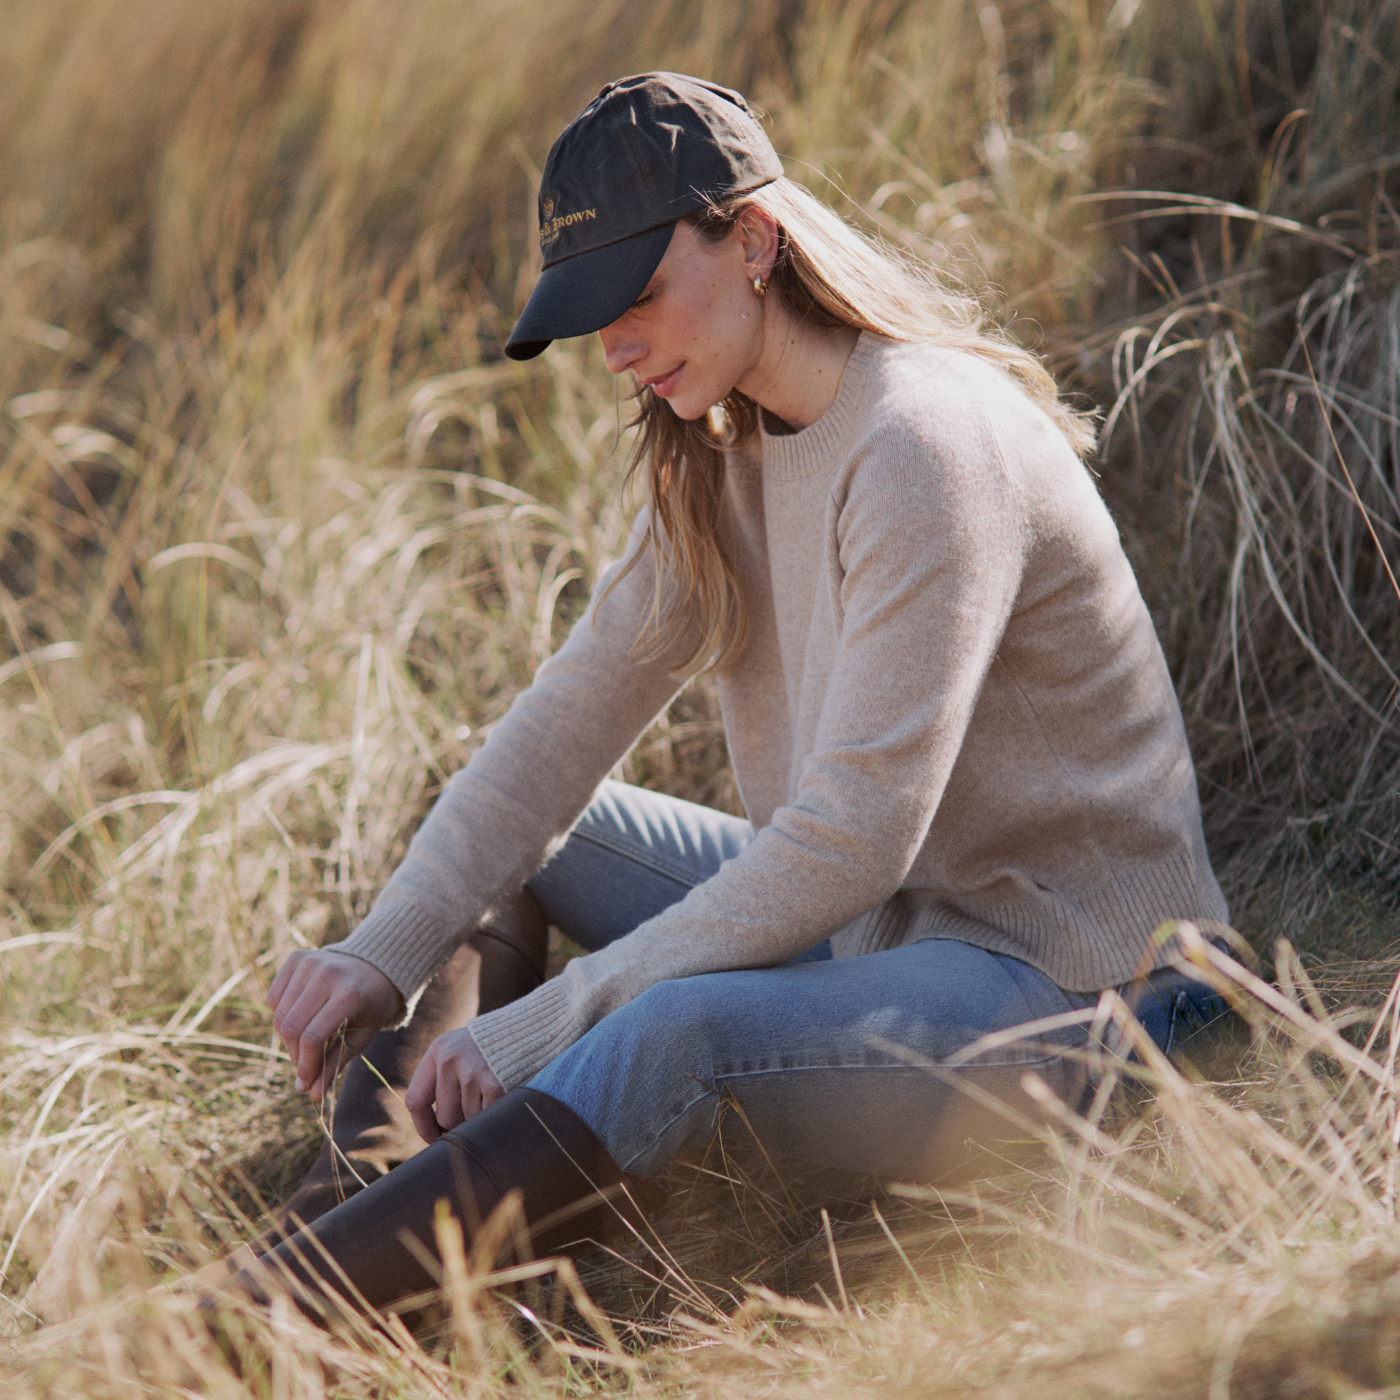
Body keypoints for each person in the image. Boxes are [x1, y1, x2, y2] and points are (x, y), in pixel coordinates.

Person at [232, 72, 1230, 1318]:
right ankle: (385, 1243)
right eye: (593, 312)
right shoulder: (727, 453)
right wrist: (383, 950)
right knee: (536, 839)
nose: (617, 344)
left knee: (671, 1029)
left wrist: (543, 1023)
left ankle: (240, 1327)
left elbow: (855, 836)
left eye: (640, 293)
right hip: (892, 938)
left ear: (751, 239)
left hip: (1088, 991)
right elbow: (563, 724)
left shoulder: (921, 443)